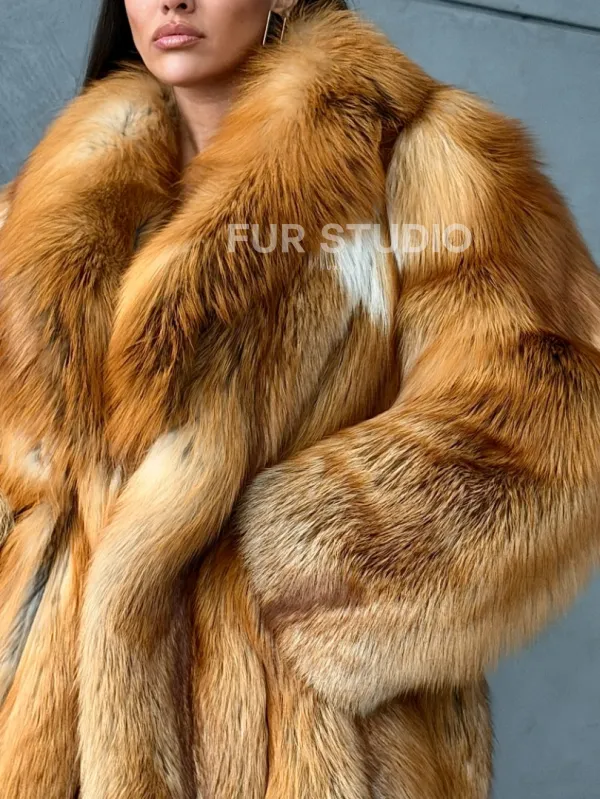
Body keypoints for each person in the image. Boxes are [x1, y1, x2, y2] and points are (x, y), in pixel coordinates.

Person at [0, 0, 599, 796]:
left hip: (301, 750)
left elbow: (551, 411)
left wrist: (307, 572)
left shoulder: (418, 156)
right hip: (57, 740)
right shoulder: (45, 201)